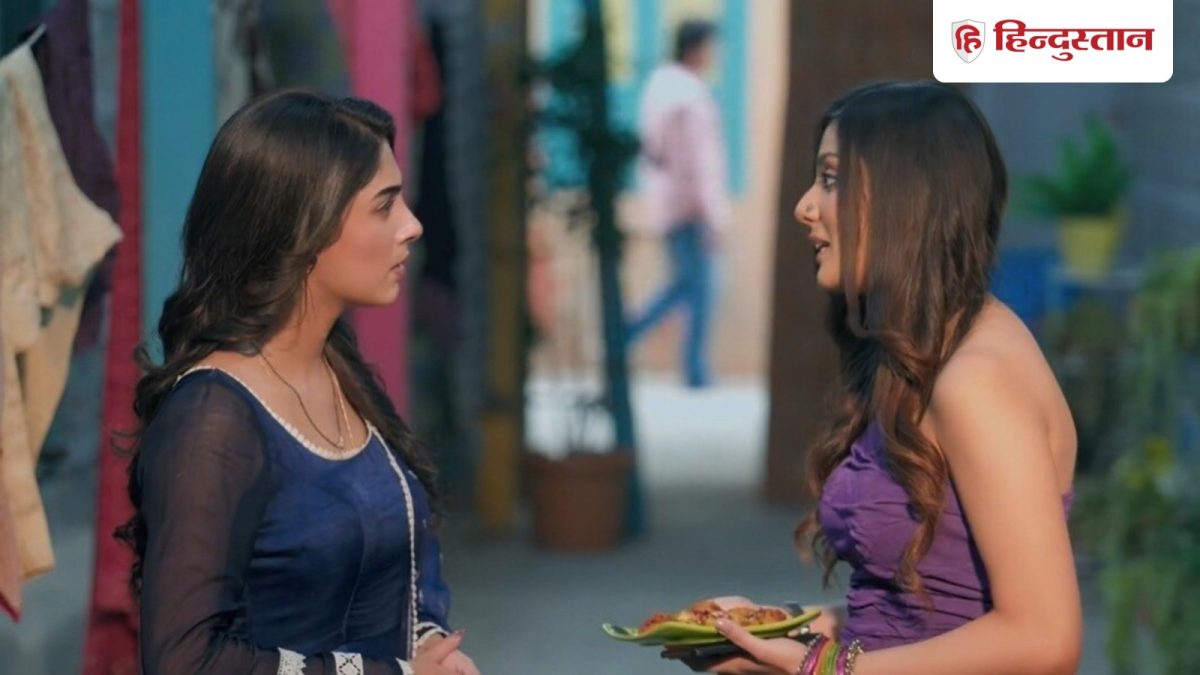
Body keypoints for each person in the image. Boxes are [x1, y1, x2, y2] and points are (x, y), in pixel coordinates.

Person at [694, 81, 1082, 674]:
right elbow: (906, 618)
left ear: (906, 199)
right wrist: (766, 630)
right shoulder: (918, 353)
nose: (805, 206)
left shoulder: (975, 381)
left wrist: (819, 669)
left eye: (831, 180)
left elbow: (1044, 639)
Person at [116, 90, 479, 675]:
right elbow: (185, 660)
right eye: (384, 205)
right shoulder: (212, 419)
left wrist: (432, 644)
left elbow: (399, 573)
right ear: (303, 224)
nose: (412, 226)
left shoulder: (340, 374)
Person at [627, 18, 730, 388]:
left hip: (672, 203)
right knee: (700, 289)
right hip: (689, 207)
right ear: (696, 49)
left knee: (687, 286)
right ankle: (691, 368)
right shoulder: (686, 95)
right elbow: (695, 160)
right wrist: (708, 211)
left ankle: (628, 336)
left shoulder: (662, 86)